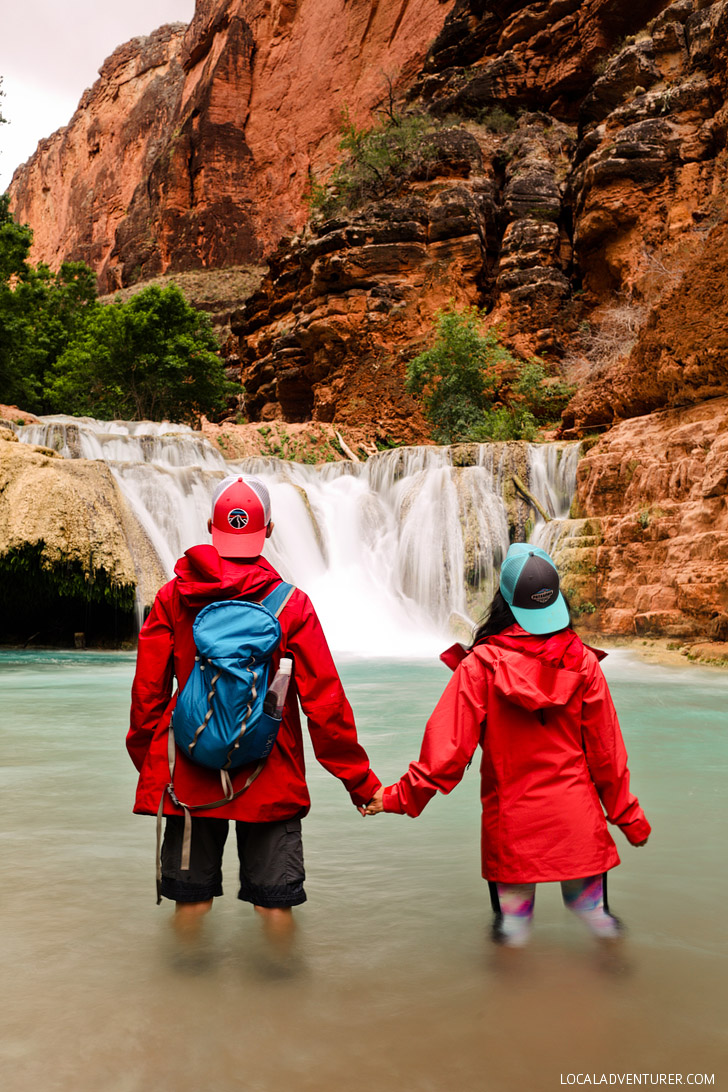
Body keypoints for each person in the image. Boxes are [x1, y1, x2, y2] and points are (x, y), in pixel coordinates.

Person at [128, 474, 381, 947]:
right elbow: (325, 705)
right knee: (274, 906)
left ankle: (175, 1008)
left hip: (189, 768)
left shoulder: (170, 598)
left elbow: (147, 697)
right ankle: (285, 1003)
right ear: (267, 532)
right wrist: (359, 782)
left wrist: (155, 765)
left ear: (209, 526)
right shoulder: (292, 605)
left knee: (192, 902)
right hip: (271, 770)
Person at [366, 542, 651, 949]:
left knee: (514, 932)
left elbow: (446, 753)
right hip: (578, 822)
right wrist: (628, 817)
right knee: (595, 917)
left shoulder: (480, 666)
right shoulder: (582, 662)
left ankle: (508, 1008)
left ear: (504, 604)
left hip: (513, 827)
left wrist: (396, 797)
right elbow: (607, 753)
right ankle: (623, 1000)